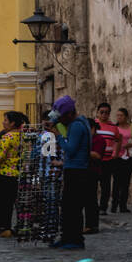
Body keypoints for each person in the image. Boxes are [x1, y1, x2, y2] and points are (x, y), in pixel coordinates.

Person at [51, 96, 91, 249]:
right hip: (75, 170)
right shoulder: (80, 123)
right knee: (67, 207)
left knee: (73, 207)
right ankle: (67, 237)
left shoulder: (76, 126)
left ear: (68, 114)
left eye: (61, 117)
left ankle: (75, 240)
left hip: (77, 172)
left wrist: (58, 136)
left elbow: (70, 150)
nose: (60, 121)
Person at [0, 111, 27, 237]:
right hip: (21, 173)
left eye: (6, 120)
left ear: (12, 123)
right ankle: (21, 226)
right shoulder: (24, 136)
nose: (3, 122)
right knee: (19, 202)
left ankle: (5, 227)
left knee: (4, 203)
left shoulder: (7, 137)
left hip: (6, 174)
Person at [111, 106, 132, 213]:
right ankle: (114, 205)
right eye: (117, 115)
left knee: (126, 181)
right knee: (116, 181)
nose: (119, 117)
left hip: (129, 157)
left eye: (121, 115)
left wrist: (129, 145)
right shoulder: (114, 128)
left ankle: (123, 206)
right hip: (117, 157)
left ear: (126, 116)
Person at [94, 102, 120, 215]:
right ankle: (93, 206)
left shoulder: (113, 127)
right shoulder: (93, 125)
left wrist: (116, 153)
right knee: (93, 185)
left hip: (108, 161)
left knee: (106, 186)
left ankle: (103, 208)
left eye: (107, 113)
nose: (104, 114)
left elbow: (118, 140)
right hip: (95, 161)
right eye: (102, 112)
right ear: (97, 113)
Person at [84, 118, 104, 234]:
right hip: (84, 170)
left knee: (91, 200)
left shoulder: (99, 139)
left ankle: (92, 225)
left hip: (93, 172)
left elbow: (97, 155)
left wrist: (82, 149)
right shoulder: (87, 139)